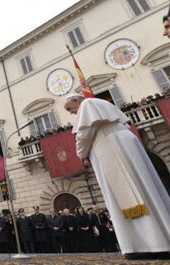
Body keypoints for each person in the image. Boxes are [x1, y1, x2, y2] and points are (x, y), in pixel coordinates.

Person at [65, 94, 170, 259]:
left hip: (111, 147)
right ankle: (162, 239)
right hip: (123, 143)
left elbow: (84, 135)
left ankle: (145, 245)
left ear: (76, 101)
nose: (71, 113)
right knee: (145, 188)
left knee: (126, 194)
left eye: (70, 109)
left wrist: (81, 154)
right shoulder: (102, 105)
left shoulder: (88, 104)